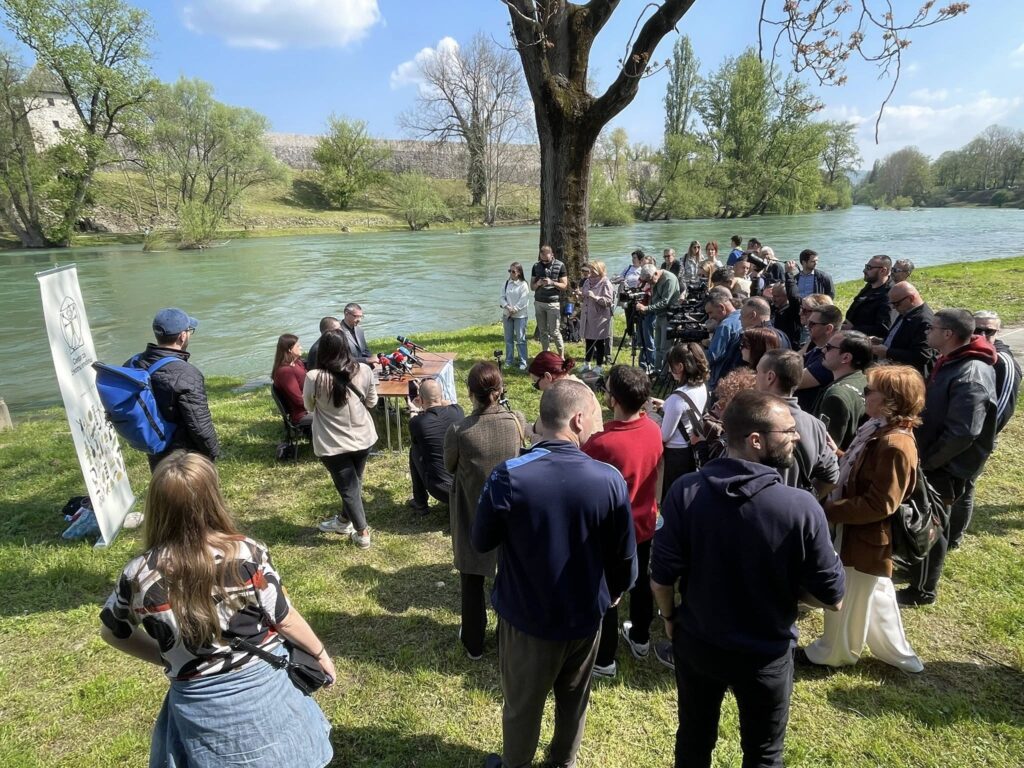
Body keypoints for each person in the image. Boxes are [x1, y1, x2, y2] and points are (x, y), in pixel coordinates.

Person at [99, 452, 334, 768]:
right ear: (213, 498)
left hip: (197, 705)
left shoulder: (138, 575)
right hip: (265, 692)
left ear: (156, 506)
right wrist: (320, 653)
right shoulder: (247, 553)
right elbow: (284, 618)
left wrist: (165, 654)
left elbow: (114, 632)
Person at [651, 390, 845, 768]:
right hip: (766, 654)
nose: (798, 437)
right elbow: (833, 596)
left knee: (693, 738)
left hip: (698, 642)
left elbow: (661, 578)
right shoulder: (800, 508)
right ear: (756, 440)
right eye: (788, 431)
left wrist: (670, 619)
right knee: (764, 752)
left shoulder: (686, 491)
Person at [474, 380, 637, 768]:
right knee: (574, 698)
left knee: (522, 705)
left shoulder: (508, 475)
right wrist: (614, 593)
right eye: (596, 417)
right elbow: (625, 554)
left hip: (526, 617)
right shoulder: (609, 479)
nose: (598, 426)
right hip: (585, 616)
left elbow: (481, 540)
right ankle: (563, 761)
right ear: (578, 419)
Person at [801, 365, 925, 673]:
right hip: (862, 535)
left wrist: (826, 509)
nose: (864, 395)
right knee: (875, 593)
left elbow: (881, 503)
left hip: (863, 537)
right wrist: (842, 454)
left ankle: (834, 652)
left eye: (870, 391)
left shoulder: (895, 444)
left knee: (850, 594)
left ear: (890, 401)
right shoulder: (877, 430)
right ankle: (897, 653)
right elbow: (864, 475)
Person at [899, 309, 997, 606]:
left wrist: (929, 462)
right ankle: (917, 566)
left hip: (945, 465)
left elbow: (963, 432)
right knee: (928, 518)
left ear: (948, 334)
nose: (927, 331)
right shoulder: (952, 361)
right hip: (934, 457)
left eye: (932, 327)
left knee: (932, 523)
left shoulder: (970, 374)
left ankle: (922, 590)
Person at [582, 365, 664, 678]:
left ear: (613, 399)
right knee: (641, 581)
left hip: (612, 531)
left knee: (609, 591)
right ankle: (641, 637)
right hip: (645, 523)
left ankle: (604, 659)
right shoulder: (654, 430)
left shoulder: (601, 443)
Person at [444, 362, 526, 660]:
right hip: (510, 513)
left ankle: (474, 643)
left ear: (470, 393)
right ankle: (507, 639)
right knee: (508, 577)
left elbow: (448, 466)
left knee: (472, 579)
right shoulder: (516, 420)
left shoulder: (460, 430)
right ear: (500, 389)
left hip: (473, 510)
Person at [947, 311, 1023, 549]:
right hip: (960, 433)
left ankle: (953, 539)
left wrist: (980, 439)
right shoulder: (970, 355)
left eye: (987, 331)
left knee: (965, 487)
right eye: (976, 330)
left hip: (977, 438)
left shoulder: (1003, 362)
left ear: (997, 332)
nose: (981, 335)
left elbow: (1003, 408)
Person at [306, 331, 379, 549]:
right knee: (353, 483)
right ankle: (343, 520)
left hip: (332, 442)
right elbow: (373, 402)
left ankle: (362, 532)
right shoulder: (364, 369)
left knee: (348, 488)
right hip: (362, 437)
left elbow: (308, 407)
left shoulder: (313, 377)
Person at [131, 307, 220, 471]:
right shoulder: (187, 374)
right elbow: (200, 427)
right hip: (186, 458)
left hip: (156, 448)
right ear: (182, 336)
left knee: (165, 493)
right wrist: (213, 454)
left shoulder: (136, 363)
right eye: (189, 331)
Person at [756, 350, 840, 499]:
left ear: (770, 377)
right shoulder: (816, 425)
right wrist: (807, 501)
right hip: (794, 517)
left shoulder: (751, 419)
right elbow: (832, 476)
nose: (754, 378)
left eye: (757, 372)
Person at [656, 343, 710, 502]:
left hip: (675, 455)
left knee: (671, 498)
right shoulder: (701, 386)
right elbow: (686, 410)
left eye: (671, 366)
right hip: (690, 449)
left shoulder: (676, 398)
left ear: (680, 366)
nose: (670, 371)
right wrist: (665, 404)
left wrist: (653, 418)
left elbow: (664, 435)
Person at [407, 378, 464, 514]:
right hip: (463, 484)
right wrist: (433, 394)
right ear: (442, 395)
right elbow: (445, 403)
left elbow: (414, 425)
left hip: (440, 488)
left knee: (414, 450)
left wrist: (414, 410)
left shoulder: (418, 423)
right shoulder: (458, 411)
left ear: (420, 399)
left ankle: (420, 503)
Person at [815, 330, 872, 451]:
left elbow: (825, 449)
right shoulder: (864, 381)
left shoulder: (836, 396)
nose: (823, 350)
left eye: (829, 347)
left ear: (846, 357)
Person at [872, 281, 935, 375]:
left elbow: (922, 356)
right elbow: (903, 340)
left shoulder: (924, 321)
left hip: (907, 375)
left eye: (896, 304)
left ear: (911, 298)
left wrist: (888, 352)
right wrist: (882, 341)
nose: (893, 307)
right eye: (892, 303)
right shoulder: (906, 310)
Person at [795, 304, 843, 411]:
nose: (807, 326)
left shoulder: (832, 357)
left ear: (828, 329)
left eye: (812, 324)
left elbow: (793, 381)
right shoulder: (817, 348)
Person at [637, 262, 681, 372]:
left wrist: (647, 308)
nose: (650, 283)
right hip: (659, 315)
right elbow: (654, 297)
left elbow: (665, 301)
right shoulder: (654, 280)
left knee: (665, 348)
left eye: (650, 280)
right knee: (657, 345)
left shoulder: (669, 279)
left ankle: (664, 374)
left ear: (656, 273)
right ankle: (656, 371)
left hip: (669, 316)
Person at [531, 244, 568, 355]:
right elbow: (532, 287)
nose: (545, 263)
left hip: (553, 303)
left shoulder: (560, 265)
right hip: (539, 302)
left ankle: (561, 356)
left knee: (555, 332)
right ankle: (546, 354)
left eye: (547, 260)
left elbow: (565, 286)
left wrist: (552, 282)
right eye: (542, 260)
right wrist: (538, 283)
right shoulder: (536, 266)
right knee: (543, 331)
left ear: (552, 255)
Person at [843, 255, 893, 339]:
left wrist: (854, 329)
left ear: (883, 271)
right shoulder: (870, 286)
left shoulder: (889, 295)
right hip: (851, 336)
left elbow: (883, 329)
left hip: (864, 343)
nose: (864, 270)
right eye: (866, 266)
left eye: (869, 268)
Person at [272, 333, 313, 432]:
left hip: (310, 406)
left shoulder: (297, 363)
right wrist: (321, 405)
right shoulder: (285, 372)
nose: (301, 347)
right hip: (302, 414)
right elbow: (299, 400)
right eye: (298, 346)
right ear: (290, 349)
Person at [704, 287, 742, 390]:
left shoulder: (725, 326)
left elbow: (713, 356)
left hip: (721, 378)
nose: (709, 317)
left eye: (710, 313)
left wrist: (698, 349)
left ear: (721, 307)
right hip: (737, 376)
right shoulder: (742, 316)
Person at [578, 260, 615, 369]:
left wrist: (595, 297)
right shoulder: (587, 281)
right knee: (588, 340)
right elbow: (585, 295)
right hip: (587, 315)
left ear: (600, 271)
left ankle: (599, 365)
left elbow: (609, 302)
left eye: (593, 271)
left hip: (599, 317)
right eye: (590, 271)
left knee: (599, 342)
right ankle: (587, 363)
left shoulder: (606, 283)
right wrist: (580, 296)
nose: (591, 273)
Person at [501, 261, 530, 370]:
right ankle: (509, 360)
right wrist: (508, 307)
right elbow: (501, 297)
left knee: (520, 339)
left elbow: (524, 300)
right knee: (508, 339)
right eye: (510, 271)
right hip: (507, 315)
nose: (511, 273)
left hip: (520, 316)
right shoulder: (506, 283)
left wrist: (515, 309)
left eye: (513, 271)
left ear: (519, 273)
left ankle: (523, 361)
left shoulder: (523, 285)